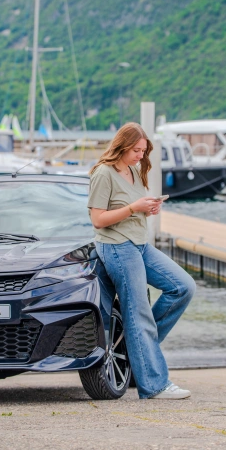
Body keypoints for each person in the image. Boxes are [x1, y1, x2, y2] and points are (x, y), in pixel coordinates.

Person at [88, 122, 196, 400]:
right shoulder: (104, 173)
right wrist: (133, 208)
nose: (140, 155)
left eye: (143, 150)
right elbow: (98, 220)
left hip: (139, 244)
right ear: (122, 145)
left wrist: (147, 210)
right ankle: (154, 385)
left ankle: (138, 355)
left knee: (182, 287)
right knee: (139, 313)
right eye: (136, 150)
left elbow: (130, 210)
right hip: (117, 247)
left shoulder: (134, 171)